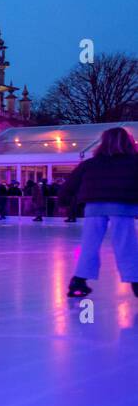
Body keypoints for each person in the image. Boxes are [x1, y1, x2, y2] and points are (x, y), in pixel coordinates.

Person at [59, 127, 138, 298]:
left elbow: (70, 185)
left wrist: (64, 201)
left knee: (89, 244)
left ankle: (78, 281)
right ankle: (136, 282)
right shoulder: (134, 162)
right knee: (126, 245)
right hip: (122, 207)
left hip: (94, 208)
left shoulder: (90, 164)